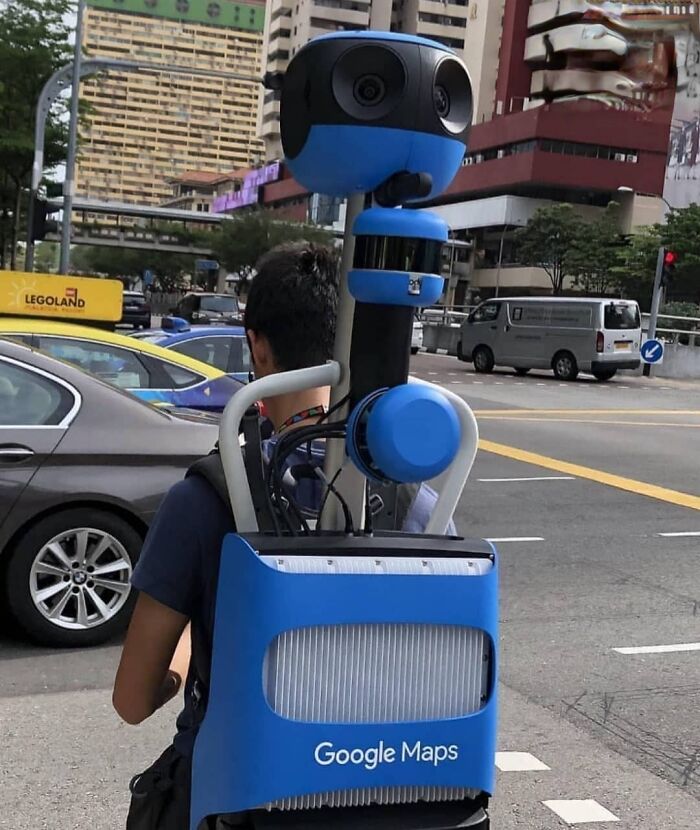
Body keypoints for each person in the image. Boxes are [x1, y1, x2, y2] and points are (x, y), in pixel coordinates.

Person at [113, 241, 454, 829]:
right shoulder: (416, 499)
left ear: (258, 347)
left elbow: (132, 700)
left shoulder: (204, 499)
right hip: (384, 798)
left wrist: (191, 652)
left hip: (239, 796)